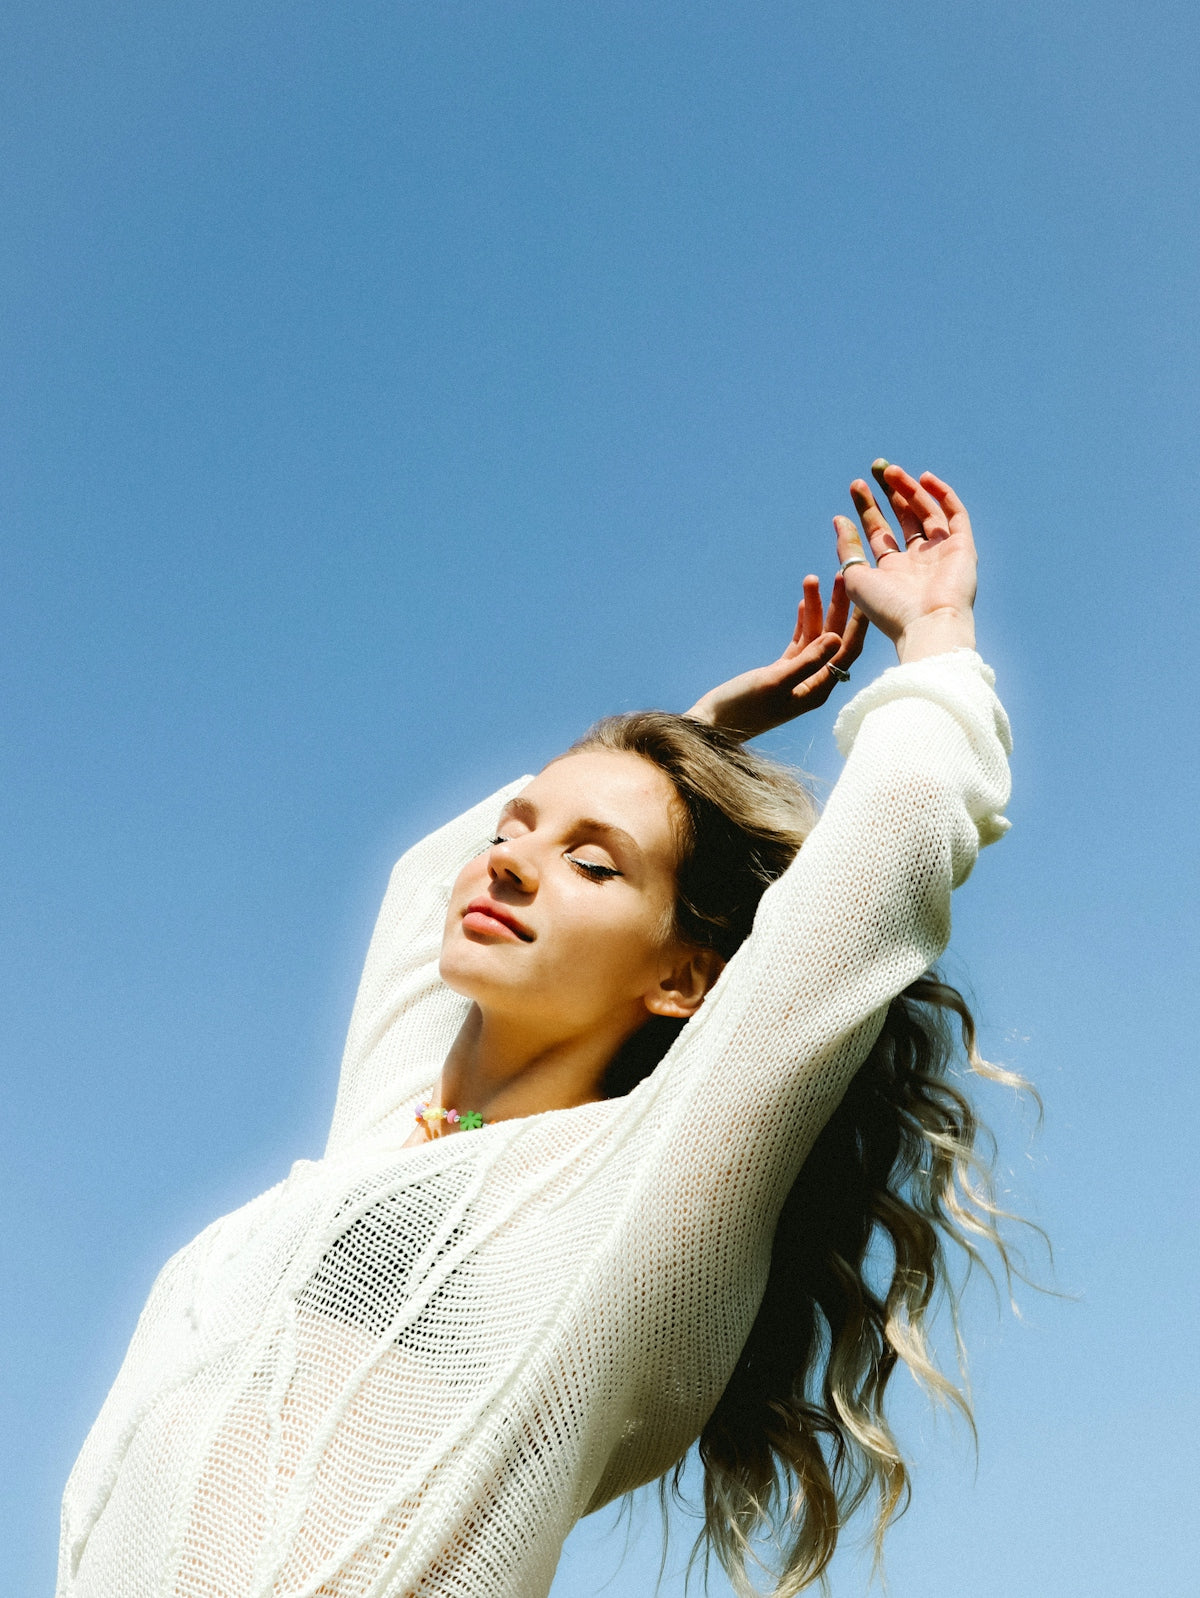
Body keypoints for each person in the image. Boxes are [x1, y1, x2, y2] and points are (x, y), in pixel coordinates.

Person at [57, 463, 1026, 1598]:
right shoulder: (387, 1135)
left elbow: (887, 852)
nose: (511, 862)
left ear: (686, 977)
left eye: (593, 863)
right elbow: (428, 886)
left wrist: (938, 637)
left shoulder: (642, 1194)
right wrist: (689, 737)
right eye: (515, 831)